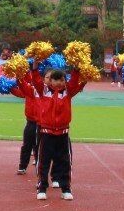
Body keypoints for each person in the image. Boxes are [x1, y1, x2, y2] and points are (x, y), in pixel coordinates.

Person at [12, 68, 83, 200]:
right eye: (56, 80)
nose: (59, 83)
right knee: (43, 162)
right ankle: (42, 187)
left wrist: (77, 69)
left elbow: (74, 82)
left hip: (63, 134)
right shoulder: (43, 91)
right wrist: (34, 68)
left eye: (62, 80)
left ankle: (66, 188)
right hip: (46, 134)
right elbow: (36, 81)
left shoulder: (68, 92)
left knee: (65, 162)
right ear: (50, 81)